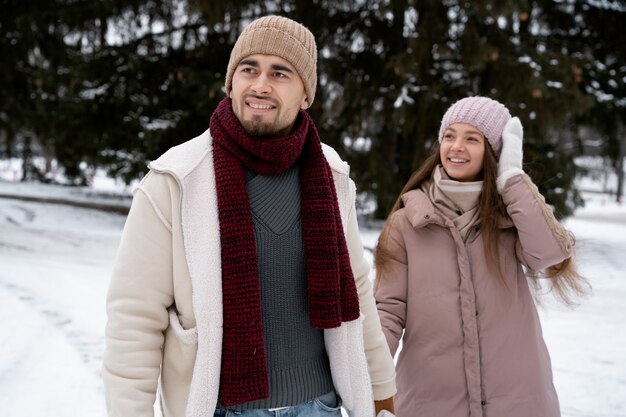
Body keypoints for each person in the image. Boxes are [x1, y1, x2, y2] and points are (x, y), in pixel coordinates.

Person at [103, 15, 396, 417]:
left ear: (306, 94)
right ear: (231, 81)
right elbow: (134, 318)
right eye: (249, 69)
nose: (260, 85)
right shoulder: (176, 179)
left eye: (280, 72)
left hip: (320, 407)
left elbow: (356, 291)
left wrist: (382, 390)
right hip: (220, 409)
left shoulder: (331, 176)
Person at [374, 96, 589, 417]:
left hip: (516, 397)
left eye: (472, 138)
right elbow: (388, 311)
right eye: (450, 136)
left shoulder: (510, 215)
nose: (456, 146)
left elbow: (548, 254)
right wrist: (370, 375)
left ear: (493, 152)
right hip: (431, 399)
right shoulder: (407, 222)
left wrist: (513, 179)